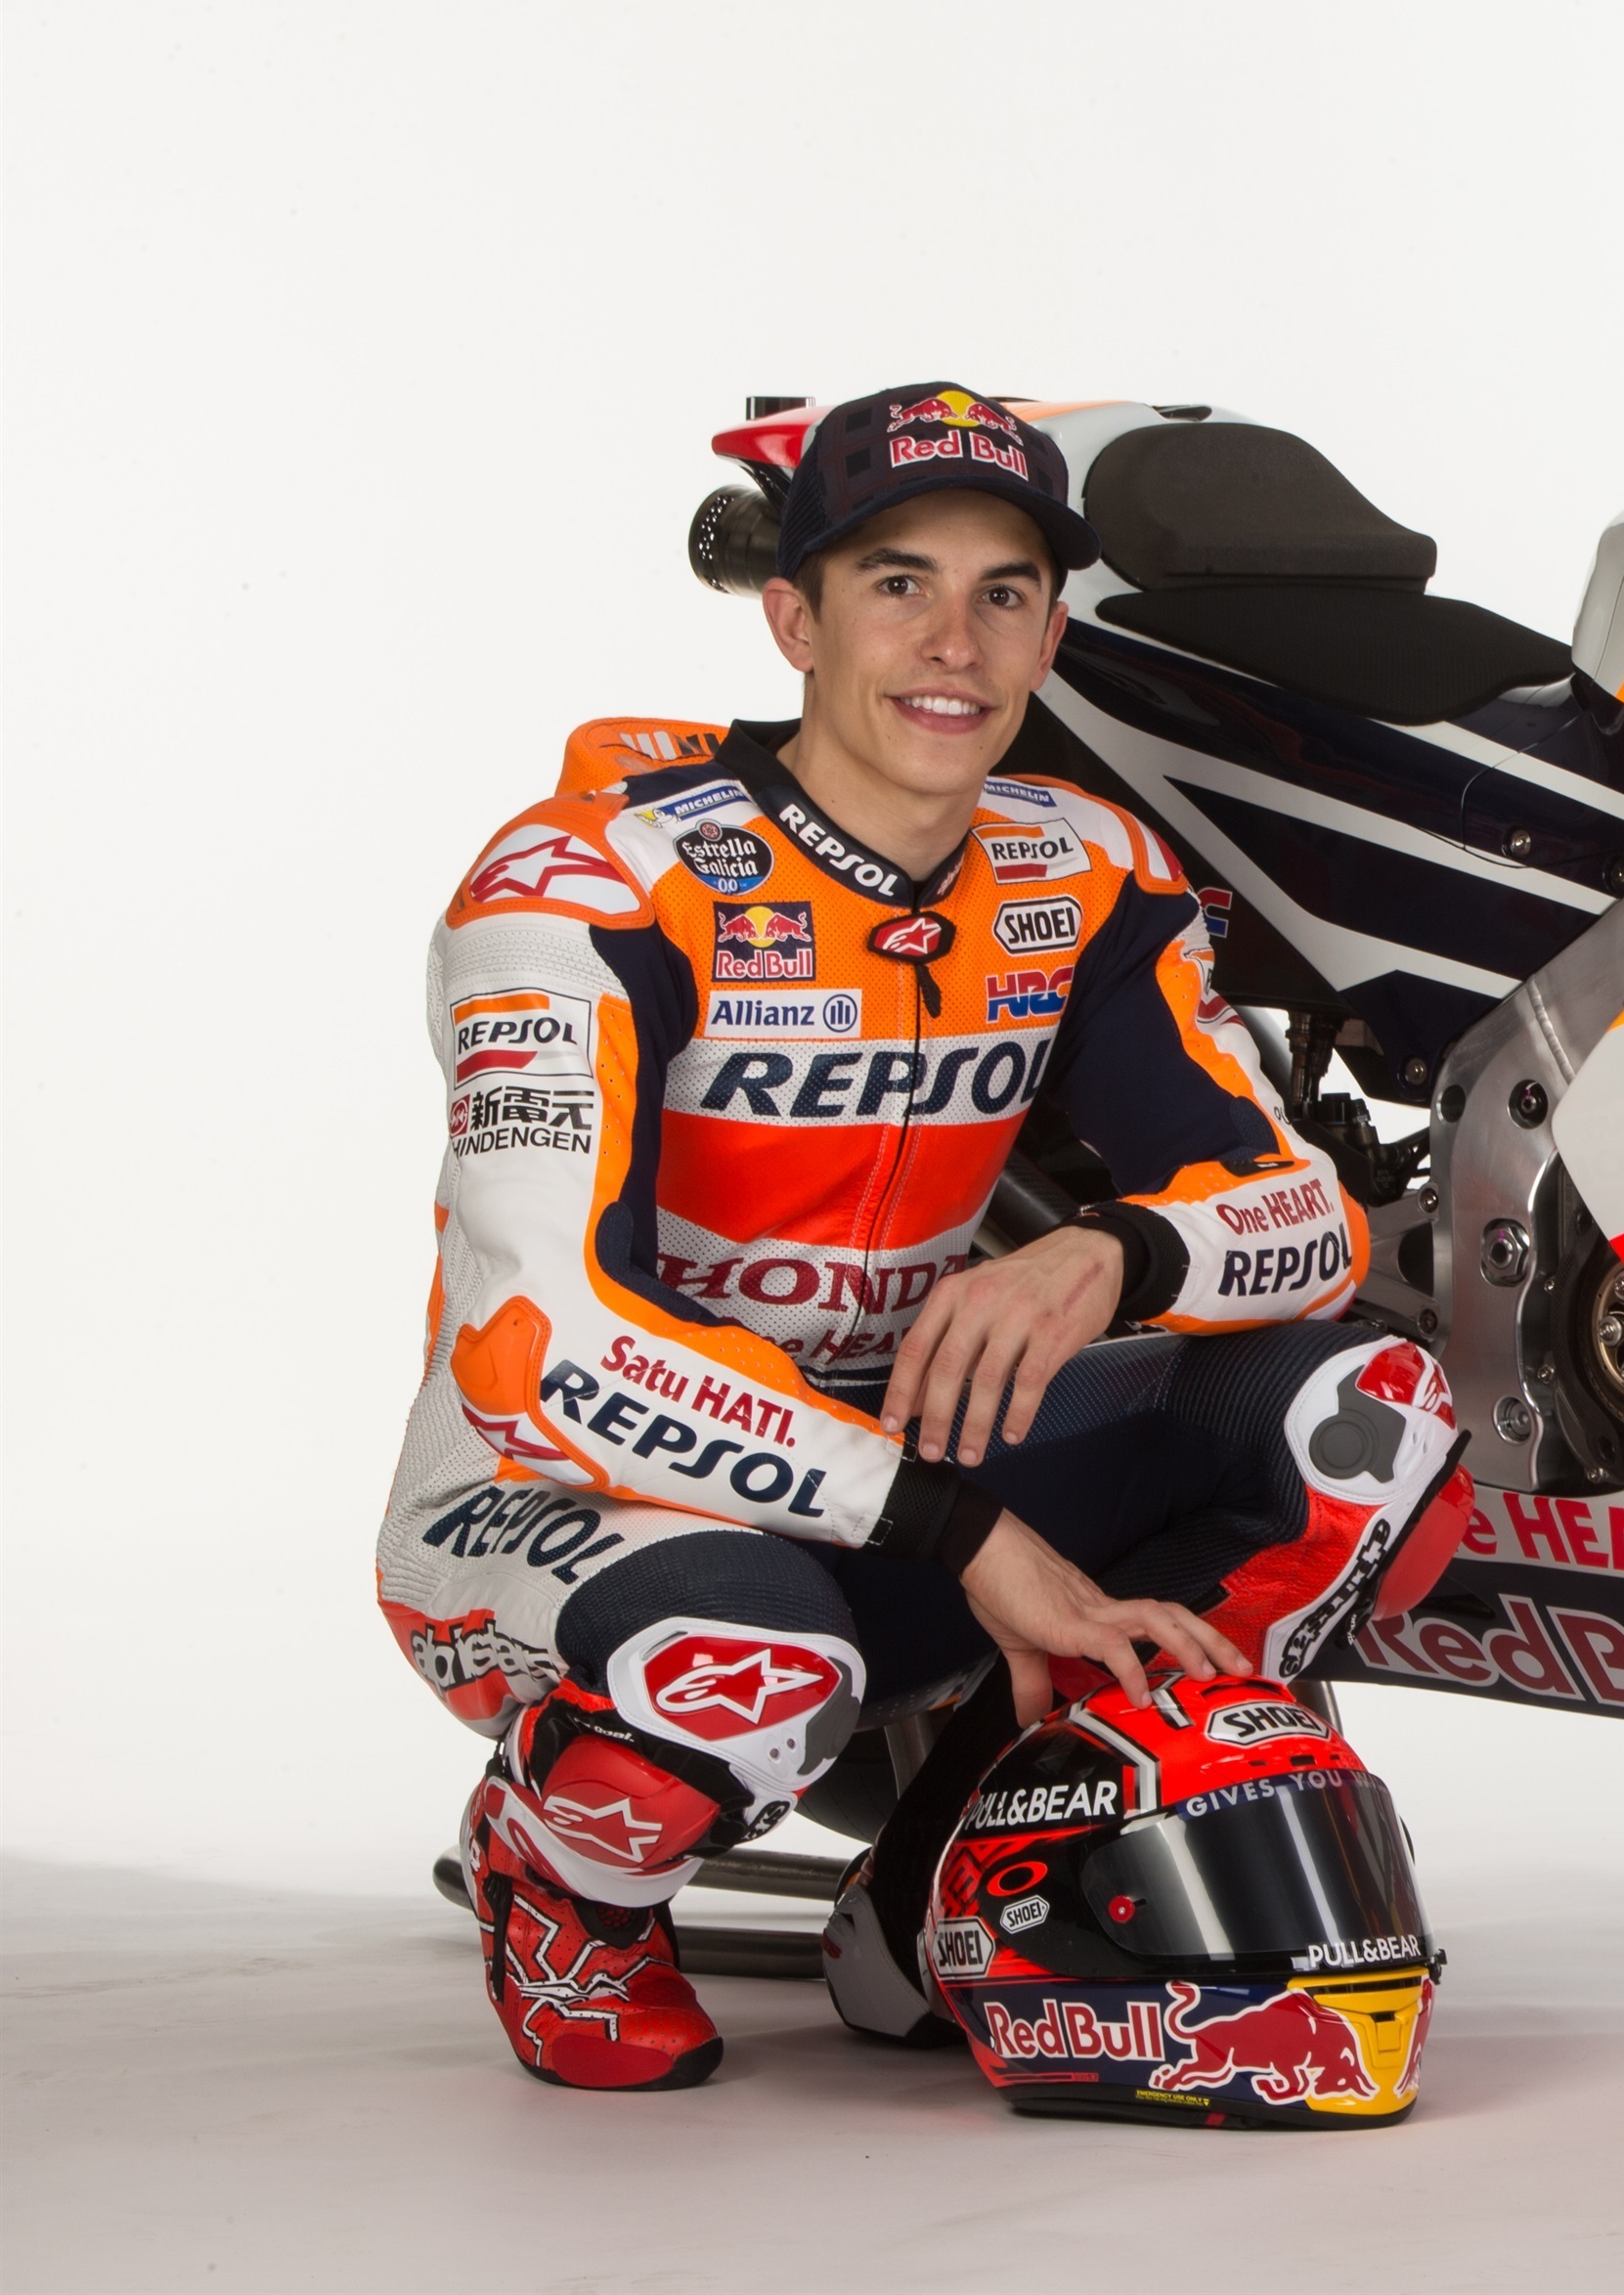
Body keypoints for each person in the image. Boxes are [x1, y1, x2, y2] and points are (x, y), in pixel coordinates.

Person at [377, 384, 1473, 2093]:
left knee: (1368, 1413)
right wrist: (963, 1530)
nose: (954, 641)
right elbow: (542, 1344)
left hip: (909, 1462)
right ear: (794, 619)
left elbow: (1305, 1217)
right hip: (565, 1496)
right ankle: (562, 1882)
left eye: (1003, 592)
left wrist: (1112, 1253)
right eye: (898, 584)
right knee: (748, 1667)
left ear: (1049, 636)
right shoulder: (586, 881)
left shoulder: (1084, 871)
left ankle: (964, 1870)